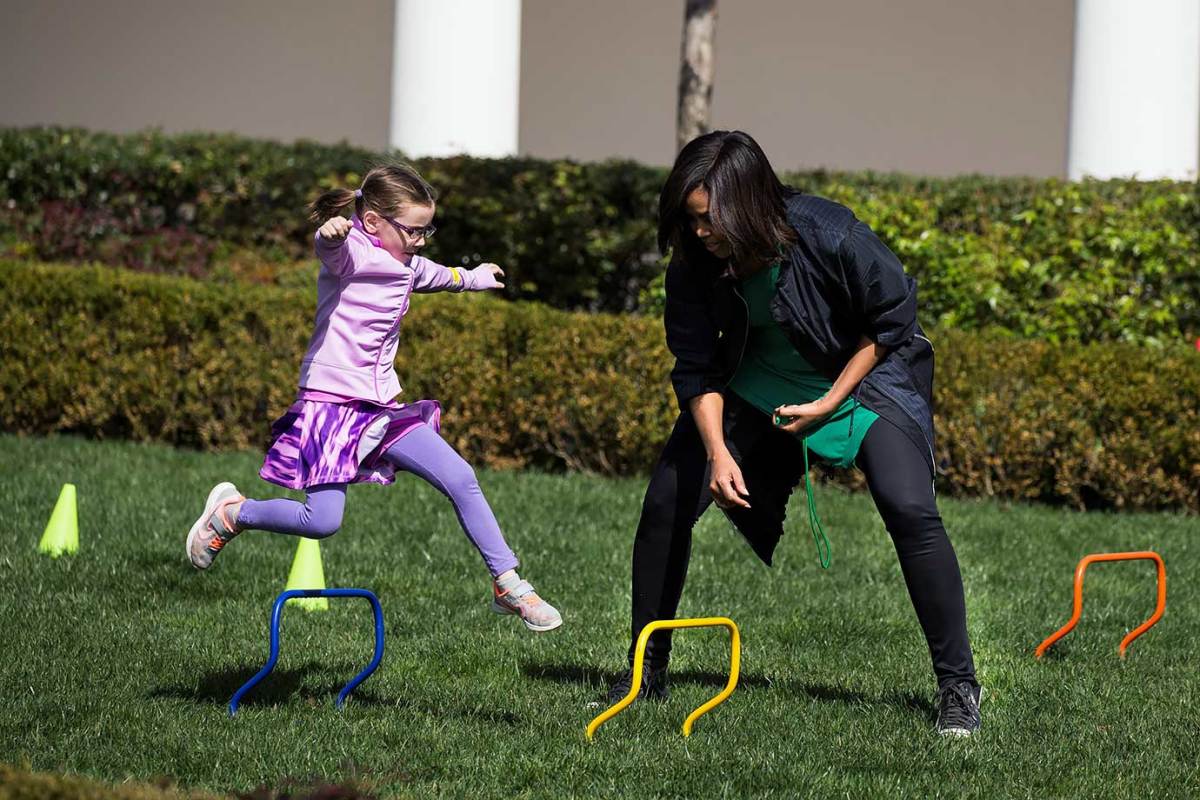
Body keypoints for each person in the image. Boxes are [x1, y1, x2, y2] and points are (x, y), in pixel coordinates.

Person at [608, 130, 980, 735]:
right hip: (756, 385)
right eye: (690, 220)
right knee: (665, 506)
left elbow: (891, 322)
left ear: (748, 201)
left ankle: (958, 688)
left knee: (910, 510)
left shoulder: (831, 233)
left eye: (709, 219)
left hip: (863, 381)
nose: (700, 234)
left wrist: (830, 401)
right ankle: (643, 676)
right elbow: (697, 366)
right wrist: (719, 452)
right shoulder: (694, 263)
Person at [185, 163, 562, 633]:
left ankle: (509, 583)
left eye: (428, 230)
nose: (422, 240)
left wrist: (474, 276)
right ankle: (233, 513)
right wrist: (330, 234)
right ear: (372, 222)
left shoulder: (407, 262)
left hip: (382, 409)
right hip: (331, 408)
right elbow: (330, 251)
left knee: (460, 476)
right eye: (414, 230)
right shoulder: (353, 254)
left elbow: (439, 275)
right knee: (321, 522)